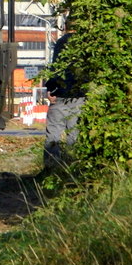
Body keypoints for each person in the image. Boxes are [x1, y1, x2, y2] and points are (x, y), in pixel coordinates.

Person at [43, 29, 84, 168]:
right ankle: (74, 167)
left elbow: (56, 69)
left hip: (59, 95)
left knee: (53, 133)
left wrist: (50, 88)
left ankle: (51, 167)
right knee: (75, 134)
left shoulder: (61, 42)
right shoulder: (87, 43)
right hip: (80, 96)